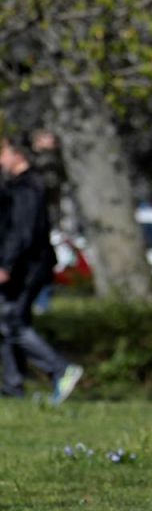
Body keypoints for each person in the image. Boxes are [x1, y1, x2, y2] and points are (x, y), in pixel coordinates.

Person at [0, 132, 82, 404]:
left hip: (26, 268)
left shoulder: (28, 188)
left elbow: (22, 233)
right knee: (6, 322)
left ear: (17, 155)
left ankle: (60, 369)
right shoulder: (19, 186)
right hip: (24, 265)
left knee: (12, 322)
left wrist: (6, 264)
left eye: (4, 153)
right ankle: (13, 385)